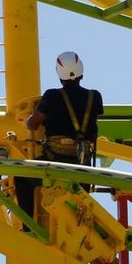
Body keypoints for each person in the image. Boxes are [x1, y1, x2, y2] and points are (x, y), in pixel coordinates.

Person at [16, 51, 104, 220]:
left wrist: (29, 118)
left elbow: (33, 124)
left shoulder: (52, 96)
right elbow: (93, 120)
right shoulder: (95, 97)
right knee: (78, 205)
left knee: (22, 178)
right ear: (81, 72)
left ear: (59, 74)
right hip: (82, 166)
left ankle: (28, 227)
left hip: (55, 163)